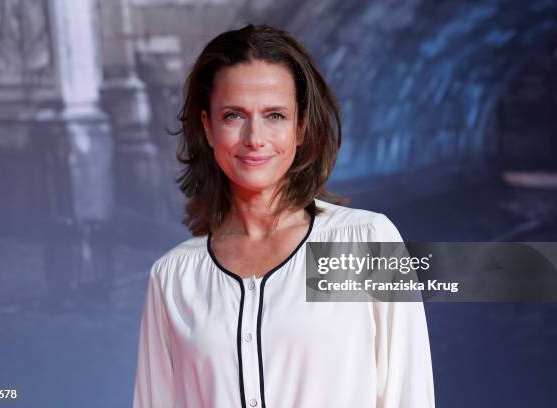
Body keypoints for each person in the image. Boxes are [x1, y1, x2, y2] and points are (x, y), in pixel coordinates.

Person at [133, 24, 434, 408]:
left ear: (301, 127)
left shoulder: (363, 241)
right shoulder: (174, 276)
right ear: (207, 127)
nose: (254, 137)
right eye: (233, 116)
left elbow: (408, 394)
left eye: (274, 115)